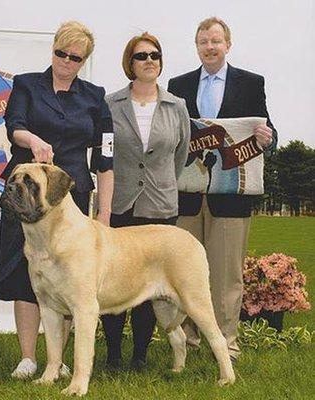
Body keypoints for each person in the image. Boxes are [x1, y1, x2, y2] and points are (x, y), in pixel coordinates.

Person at [0, 21, 114, 379]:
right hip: (24, 191)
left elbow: (105, 158)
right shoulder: (27, 83)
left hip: (71, 198)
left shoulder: (94, 95)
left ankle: (58, 359)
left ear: (84, 60)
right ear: (53, 48)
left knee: (72, 279)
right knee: (25, 275)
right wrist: (32, 140)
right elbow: (14, 124)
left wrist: (103, 214)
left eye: (76, 57)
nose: (67, 62)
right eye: (62, 53)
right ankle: (28, 358)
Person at [167, 17, 277, 361]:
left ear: (227, 44)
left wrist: (268, 139)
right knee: (182, 273)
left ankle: (226, 343)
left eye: (216, 40)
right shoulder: (177, 84)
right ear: (196, 45)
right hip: (186, 197)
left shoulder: (250, 83)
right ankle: (187, 341)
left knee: (226, 275)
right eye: (203, 41)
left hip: (232, 200)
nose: (210, 47)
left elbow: (265, 129)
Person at [101, 33, 190, 370]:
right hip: (120, 205)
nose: (149, 60)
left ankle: (139, 355)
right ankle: (112, 355)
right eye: (141, 56)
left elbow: (180, 155)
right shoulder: (110, 104)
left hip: (160, 207)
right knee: (113, 283)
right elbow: (104, 154)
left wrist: (162, 183)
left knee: (148, 288)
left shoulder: (177, 106)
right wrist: (105, 209)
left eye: (155, 55)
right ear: (130, 63)